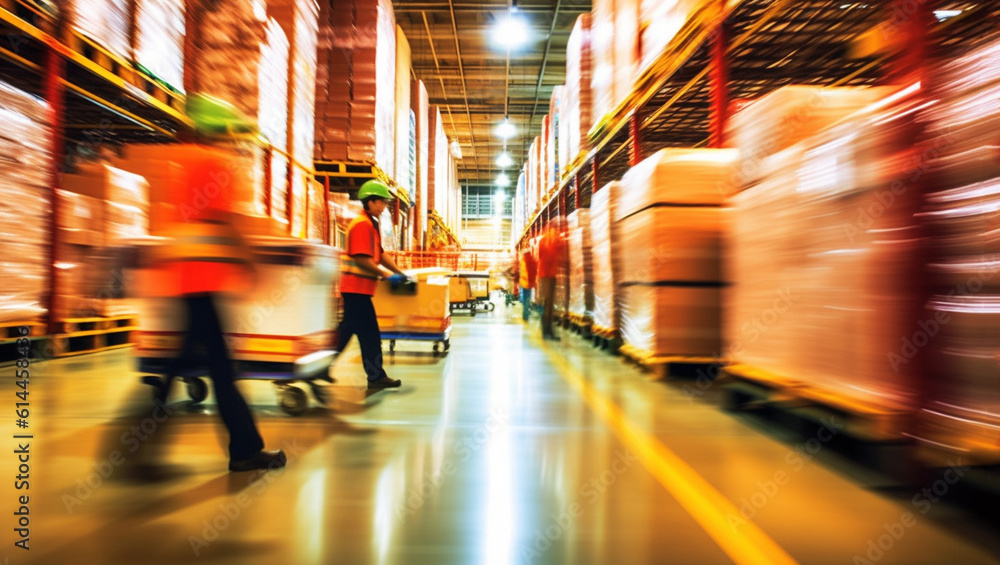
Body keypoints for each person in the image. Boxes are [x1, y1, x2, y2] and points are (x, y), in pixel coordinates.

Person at [152, 95, 286, 472]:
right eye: (230, 133)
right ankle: (244, 449)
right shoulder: (214, 162)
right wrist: (250, 261)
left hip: (187, 280)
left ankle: (141, 441)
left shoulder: (185, 161)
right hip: (203, 282)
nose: (234, 140)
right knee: (221, 369)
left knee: (188, 362)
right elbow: (224, 221)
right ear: (219, 131)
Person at [337, 179, 407, 389]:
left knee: (367, 335)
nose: (385, 207)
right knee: (347, 335)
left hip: (361, 291)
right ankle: (319, 367)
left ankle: (376, 377)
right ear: (370, 202)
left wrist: (399, 272)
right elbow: (361, 258)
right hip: (354, 290)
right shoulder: (361, 225)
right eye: (382, 203)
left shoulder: (371, 225)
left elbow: (380, 254)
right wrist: (386, 276)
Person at [536, 219, 565, 340]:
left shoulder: (545, 240)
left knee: (549, 304)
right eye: (555, 228)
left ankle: (547, 331)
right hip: (547, 275)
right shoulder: (547, 240)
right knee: (549, 304)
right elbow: (549, 256)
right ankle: (547, 332)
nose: (557, 230)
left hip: (547, 275)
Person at [518, 246, 537, 322]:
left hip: (524, 283)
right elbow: (533, 272)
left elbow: (523, 272)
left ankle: (525, 315)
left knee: (525, 299)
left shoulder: (523, 261)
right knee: (527, 299)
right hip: (528, 283)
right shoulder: (531, 261)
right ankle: (526, 315)